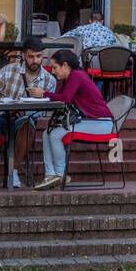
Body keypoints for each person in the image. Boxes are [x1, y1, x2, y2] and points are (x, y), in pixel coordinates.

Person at [0, 37, 55, 189]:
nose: (35, 60)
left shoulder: (49, 80)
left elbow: (47, 112)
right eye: (30, 56)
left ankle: (13, 170)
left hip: (22, 119)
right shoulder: (8, 70)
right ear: (23, 55)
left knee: (29, 124)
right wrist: (3, 105)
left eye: (39, 56)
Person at [29, 50, 115, 190]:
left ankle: (61, 174)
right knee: (47, 133)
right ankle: (51, 175)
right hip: (92, 121)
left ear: (65, 65)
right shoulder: (69, 78)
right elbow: (61, 96)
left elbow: (66, 98)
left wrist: (44, 93)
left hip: (101, 123)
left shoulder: (76, 76)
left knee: (56, 134)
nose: (53, 71)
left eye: (55, 67)